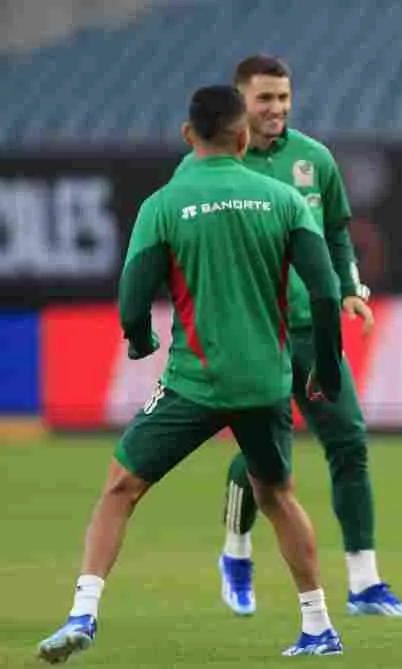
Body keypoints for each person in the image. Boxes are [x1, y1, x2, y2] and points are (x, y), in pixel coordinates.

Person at [37, 85, 346, 662]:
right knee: (277, 496)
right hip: (266, 382)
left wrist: (138, 339)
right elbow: (326, 293)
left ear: (188, 136)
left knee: (120, 489)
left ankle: (83, 613)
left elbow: (132, 296)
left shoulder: (164, 204)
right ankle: (319, 627)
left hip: (193, 383)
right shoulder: (282, 199)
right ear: (244, 135)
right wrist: (324, 367)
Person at [208, 55, 402, 617]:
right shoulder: (219, 164)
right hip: (255, 333)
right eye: (264, 99)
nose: (276, 109)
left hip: (314, 330)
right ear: (240, 102)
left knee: (349, 444)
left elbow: (335, 235)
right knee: (265, 457)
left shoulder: (315, 159)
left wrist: (350, 287)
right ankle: (235, 549)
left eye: (283, 98)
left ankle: (366, 585)